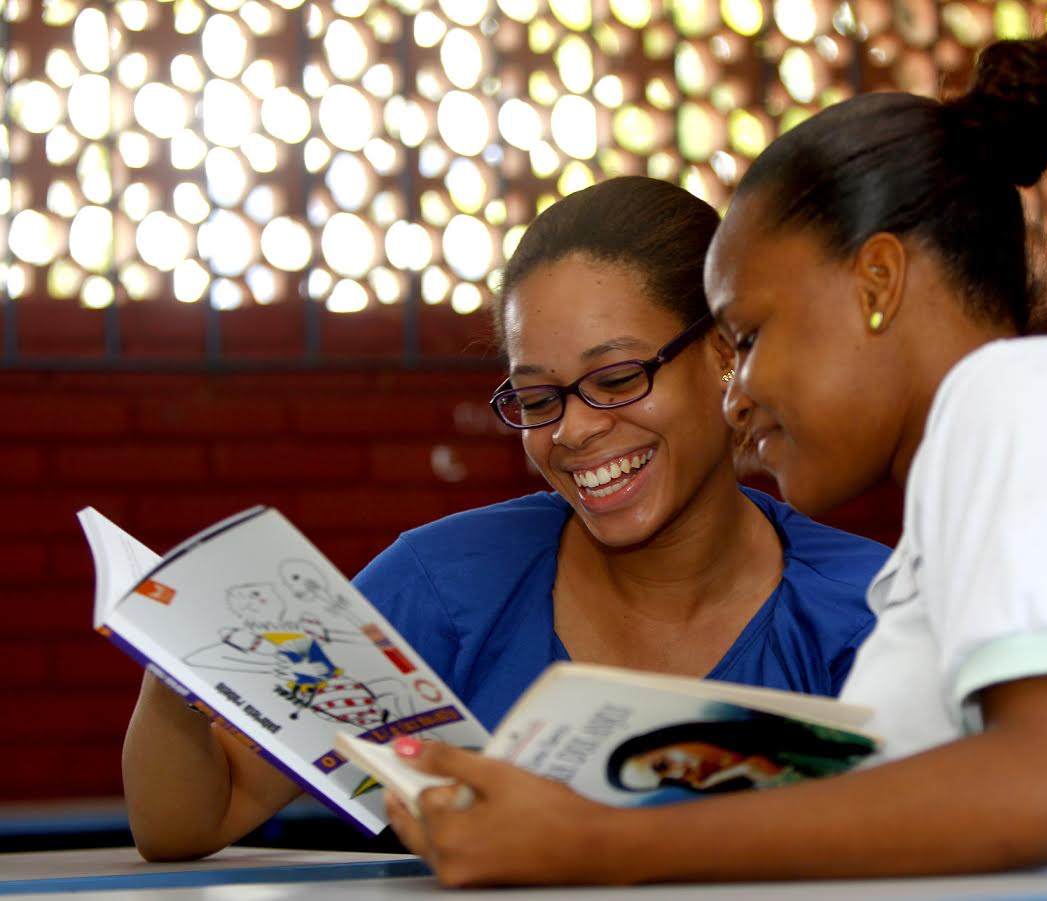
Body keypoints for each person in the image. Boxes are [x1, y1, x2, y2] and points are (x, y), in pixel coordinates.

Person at [383, 31, 1047, 899]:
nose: (738, 389)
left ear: (877, 283)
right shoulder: (930, 554)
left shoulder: (1024, 396)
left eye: (751, 335)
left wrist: (595, 844)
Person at [119, 176, 888, 861]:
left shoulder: (865, 607)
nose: (574, 431)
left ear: (724, 354)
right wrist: (178, 662)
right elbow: (194, 816)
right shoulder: (446, 587)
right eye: (538, 398)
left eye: (617, 378)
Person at [606, 717, 875, 795]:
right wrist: (756, 773)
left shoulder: (790, 721)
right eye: (668, 781)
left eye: (663, 764)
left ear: (672, 739)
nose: (680, 774)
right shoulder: (758, 794)